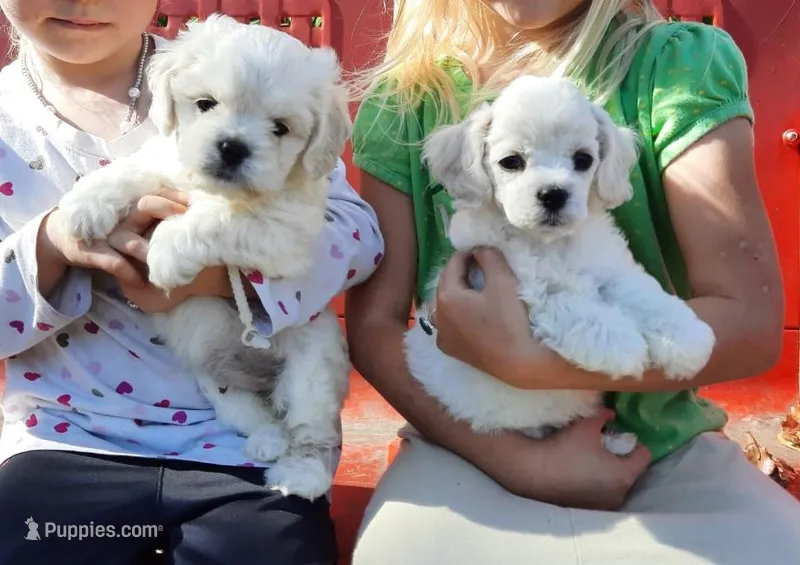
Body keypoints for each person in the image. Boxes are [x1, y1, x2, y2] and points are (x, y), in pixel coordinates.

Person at [347, 1, 800, 563]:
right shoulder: (409, 98)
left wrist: (529, 361)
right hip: (463, 443)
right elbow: (374, 324)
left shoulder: (677, 68)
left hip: (659, 448)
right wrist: (519, 461)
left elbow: (751, 324)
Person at [0, 1, 383, 564]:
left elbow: (361, 240)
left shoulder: (264, 72)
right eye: (206, 107)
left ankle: (306, 446)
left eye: (276, 128)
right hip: (69, 437)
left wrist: (219, 279)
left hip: (242, 454)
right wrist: (51, 246)